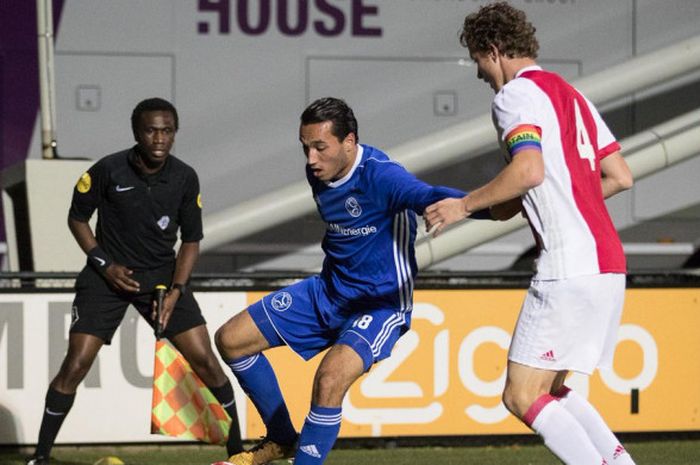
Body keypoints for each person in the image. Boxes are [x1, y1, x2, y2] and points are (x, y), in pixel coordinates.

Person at [424, 3, 635, 464]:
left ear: (494, 50)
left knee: (521, 396)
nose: (480, 74)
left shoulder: (514, 96)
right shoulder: (572, 94)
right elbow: (619, 176)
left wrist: (463, 205)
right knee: (553, 389)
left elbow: (529, 170)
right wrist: (534, 201)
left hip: (567, 267)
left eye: (479, 61)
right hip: (607, 264)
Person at [214, 97, 469, 465]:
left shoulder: (381, 175)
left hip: (380, 306)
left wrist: (482, 203)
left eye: (320, 147)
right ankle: (282, 439)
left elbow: (427, 195)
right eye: (305, 148)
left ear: (349, 142)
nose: (311, 159)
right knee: (231, 340)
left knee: (329, 379)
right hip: (329, 292)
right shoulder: (318, 172)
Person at [26, 98, 242, 465]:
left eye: (168, 131)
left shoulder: (185, 177)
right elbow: (77, 218)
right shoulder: (108, 170)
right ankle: (40, 457)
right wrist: (104, 264)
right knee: (75, 365)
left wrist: (177, 290)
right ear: (137, 132)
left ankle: (239, 454)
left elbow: (191, 240)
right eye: (152, 130)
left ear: (175, 133)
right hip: (105, 279)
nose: (160, 138)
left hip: (162, 281)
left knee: (206, 361)